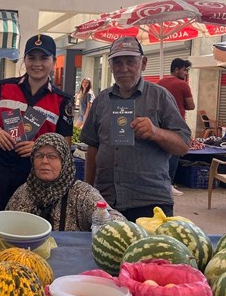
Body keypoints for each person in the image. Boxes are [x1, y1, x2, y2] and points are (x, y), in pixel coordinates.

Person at [80, 36, 190, 222]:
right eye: (117, 62)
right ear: (111, 65)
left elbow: (183, 145)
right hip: (105, 202)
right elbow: (93, 148)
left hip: (150, 203)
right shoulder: (101, 101)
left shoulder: (160, 97)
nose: (124, 69)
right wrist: (87, 191)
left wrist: (156, 132)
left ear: (144, 63)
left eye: (131, 62)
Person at [0, 34, 73, 225]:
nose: (37, 64)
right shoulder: (4, 87)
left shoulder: (62, 100)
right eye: (31, 58)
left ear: (53, 60)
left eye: (43, 58)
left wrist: (38, 147)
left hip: (32, 177)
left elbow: (65, 143)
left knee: (24, 231)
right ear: (24, 60)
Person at [6, 133, 125, 231]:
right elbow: (4, 226)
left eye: (52, 156)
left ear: (64, 162)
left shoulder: (81, 193)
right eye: (39, 156)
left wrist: (107, 225)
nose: (44, 161)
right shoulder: (24, 193)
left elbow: (118, 222)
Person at [157, 58, 195, 196]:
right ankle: (169, 185)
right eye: (184, 70)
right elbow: (191, 106)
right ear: (177, 69)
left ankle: (160, 183)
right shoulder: (183, 84)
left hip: (160, 122)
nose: (185, 73)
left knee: (161, 153)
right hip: (176, 123)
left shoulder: (160, 83)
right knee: (174, 153)